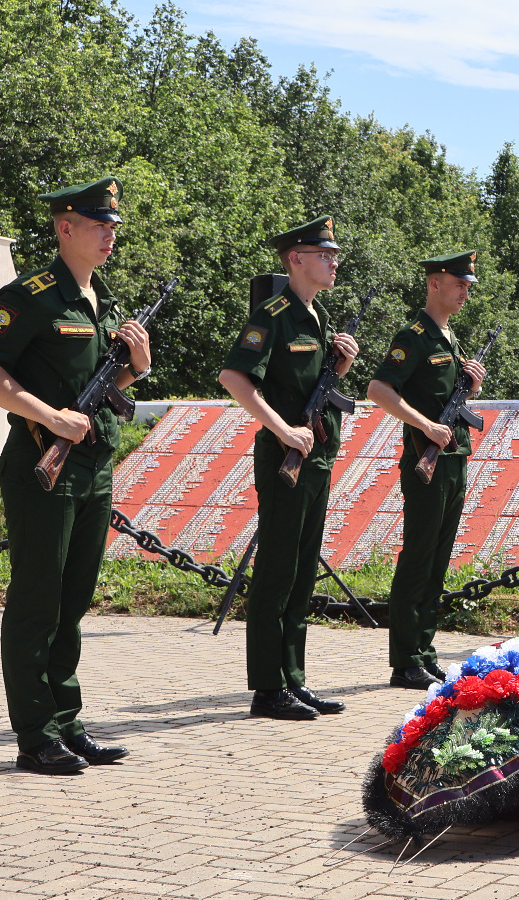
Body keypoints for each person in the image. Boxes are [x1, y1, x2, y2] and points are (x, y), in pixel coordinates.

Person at [0, 177, 151, 774]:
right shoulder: (32, 295)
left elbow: (96, 393)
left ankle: (68, 724)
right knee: (38, 602)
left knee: (73, 603)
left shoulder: (102, 298)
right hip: (42, 468)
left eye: (114, 225)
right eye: (99, 224)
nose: (110, 233)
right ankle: (35, 735)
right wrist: (48, 417)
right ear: (64, 227)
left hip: (93, 466)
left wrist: (135, 369)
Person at [218, 215, 359, 721]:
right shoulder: (274, 314)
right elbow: (235, 377)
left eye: (334, 254)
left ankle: (293, 679)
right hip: (286, 457)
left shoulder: (315, 316)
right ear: (295, 259)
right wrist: (281, 431)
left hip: (316, 457)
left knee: (301, 573)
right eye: (324, 254)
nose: (334, 261)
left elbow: (303, 387)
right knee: (277, 571)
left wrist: (338, 369)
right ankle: (267, 687)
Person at [366, 250, 487, 691]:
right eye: (459, 284)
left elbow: (444, 400)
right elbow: (379, 389)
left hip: (454, 460)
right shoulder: (414, 335)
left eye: (468, 285)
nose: (465, 292)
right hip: (426, 463)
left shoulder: (449, 336)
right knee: (418, 558)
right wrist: (425, 425)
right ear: (434, 282)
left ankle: (424, 652)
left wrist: (470, 384)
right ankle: (405, 661)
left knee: (437, 561)